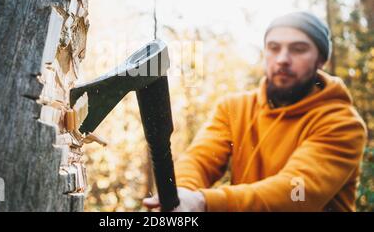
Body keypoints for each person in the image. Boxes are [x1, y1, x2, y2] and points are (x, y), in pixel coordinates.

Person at [143, 12, 367, 211]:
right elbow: (199, 160)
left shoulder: (343, 124)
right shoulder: (234, 108)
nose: (282, 59)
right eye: (274, 48)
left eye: (298, 49)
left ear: (321, 60)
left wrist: (203, 202)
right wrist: (182, 194)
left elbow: (296, 195)